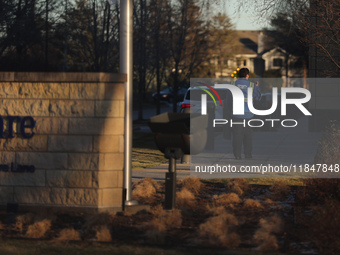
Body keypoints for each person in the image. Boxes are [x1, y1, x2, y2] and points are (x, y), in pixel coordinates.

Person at [226, 68, 261, 160]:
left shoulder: (233, 85)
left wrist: (230, 111)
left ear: (238, 75)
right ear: (247, 75)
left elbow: (228, 100)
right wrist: (257, 87)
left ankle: (237, 155)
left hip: (236, 115)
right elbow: (257, 98)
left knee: (237, 135)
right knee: (248, 135)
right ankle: (248, 154)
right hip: (248, 114)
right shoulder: (251, 85)